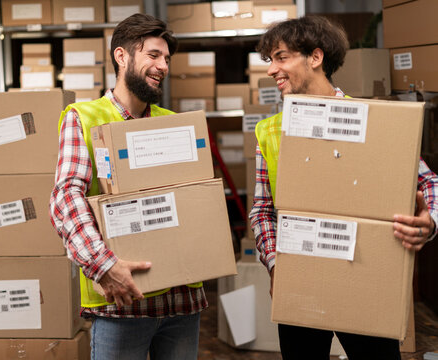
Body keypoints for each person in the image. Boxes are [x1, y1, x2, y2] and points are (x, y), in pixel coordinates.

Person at [249, 15, 438, 359]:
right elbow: (262, 210)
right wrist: (276, 263)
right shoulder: (269, 131)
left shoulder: (371, 120)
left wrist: (431, 221)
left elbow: (429, 181)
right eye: (270, 60)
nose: (271, 69)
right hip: (301, 282)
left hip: (363, 280)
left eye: (281, 57)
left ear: (316, 58)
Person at [49, 13, 207, 360]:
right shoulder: (85, 117)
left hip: (182, 302)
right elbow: (66, 198)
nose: (163, 65)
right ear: (122, 56)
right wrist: (103, 266)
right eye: (153, 55)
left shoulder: (174, 125)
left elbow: (197, 200)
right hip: (122, 303)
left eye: (166, 58)